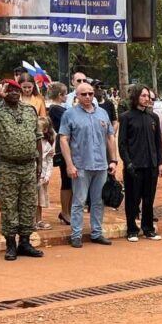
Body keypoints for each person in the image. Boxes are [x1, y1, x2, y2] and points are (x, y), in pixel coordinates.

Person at [0, 79, 44, 260]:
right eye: (9, 90)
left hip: (29, 165)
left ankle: (25, 242)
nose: (14, 93)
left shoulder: (29, 111)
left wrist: (39, 163)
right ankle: (11, 244)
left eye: (16, 90)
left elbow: (38, 138)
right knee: (8, 206)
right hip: (6, 166)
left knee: (28, 205)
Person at [58, 79, 117, 248]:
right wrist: (69, 164)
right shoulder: (70, 114)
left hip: (101, 165)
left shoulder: (102, 113)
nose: (88, 96)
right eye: (83, 94)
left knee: (98, 201)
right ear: (76, 96)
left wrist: (113, 160)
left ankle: (97, 233)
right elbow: (64, 139)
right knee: (79, 201)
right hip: (81, 165)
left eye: (90, 93)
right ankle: (76, 235)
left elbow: (110, 137)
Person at [118, 84, 162, 241]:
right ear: (136, 97)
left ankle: (148, 228)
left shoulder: (154, 118)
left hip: (151, 165)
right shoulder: (126, 117)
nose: (146, 99)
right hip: (134, 166)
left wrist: (160, 162)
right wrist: (128, 162)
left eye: (148, 96)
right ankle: (132, 229)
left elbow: (158, 142)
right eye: (143, 96)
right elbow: (122, 143)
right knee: (132, 198)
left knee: (149, 198)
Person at [46, 82, 72, 225]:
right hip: (63, 148)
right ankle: (65, 212)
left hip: (72, 147)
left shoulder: (62, 108)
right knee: (66, 180)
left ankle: (69, 211)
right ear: (60, 95)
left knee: (72, 181)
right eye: (65, 93)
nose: (67, 96)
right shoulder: (55, 109)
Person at [36, 114, 54, 231]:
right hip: (31, 176)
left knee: (40, 200)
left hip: (42, 177)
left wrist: (47, 175)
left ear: (45, 130)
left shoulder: (47, 144)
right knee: (30, 199)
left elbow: (49, 161)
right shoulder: (31, 142)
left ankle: (38, 220)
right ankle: (29, 221)